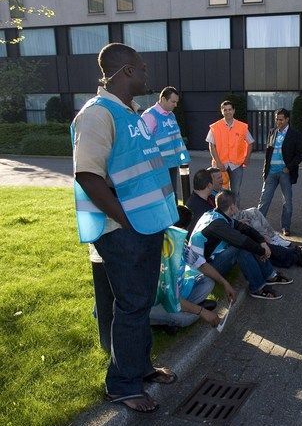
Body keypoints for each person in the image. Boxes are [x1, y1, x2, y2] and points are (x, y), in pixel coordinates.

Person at [72, 43, 179, 413]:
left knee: (141, 302)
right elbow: (87, 174)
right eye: (143, 67)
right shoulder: (97, 114)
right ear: (126, 71)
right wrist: (125, 219)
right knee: (132, 304)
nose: (148, 74)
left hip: (146, 227)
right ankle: (121, 385)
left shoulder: (131, 114)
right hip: (123, 232)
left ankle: (139, 368)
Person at [189, 190, 294, 300]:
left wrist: (262, 242)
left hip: (208, 261)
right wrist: (263, 251)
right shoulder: (217, 223)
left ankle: (270, 275)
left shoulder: (218, 215)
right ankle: (257, 287)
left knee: (246, 244)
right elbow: (241, 241)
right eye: (236, 204)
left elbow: (245, 228)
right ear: (232, 207)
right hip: (202, 270)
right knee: (240, 248)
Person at [150, 206, 237, 330]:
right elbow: (170, 297)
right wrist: (202, 312)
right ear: (181, 229)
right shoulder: (161, 255)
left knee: (208, 282)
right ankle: (173, 319)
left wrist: (225, 283)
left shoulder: (177, 244)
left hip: (176, 297)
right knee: (184, 319)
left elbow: (202, 265)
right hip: (157, 304)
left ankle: (186, 311)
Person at [258, 108, 302, 236]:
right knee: (264, 200)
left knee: (287, 202)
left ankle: (286, 226)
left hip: (285, 173)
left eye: (281, 119)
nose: (278, 122)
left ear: (287, 119)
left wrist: (288, 167)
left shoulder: (295, 134)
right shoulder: (272, 132)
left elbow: (300, 155)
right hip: (271, 172)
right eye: (276, 119)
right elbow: (268, 154)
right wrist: (265, 171)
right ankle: (258, 226)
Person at [141, 86, 190, 201]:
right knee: (163, 195)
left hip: (171, 162)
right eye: (173, 101)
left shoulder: (171, 115)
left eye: (176, 102)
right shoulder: (149, 116)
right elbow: (144, 142)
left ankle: (175, 217)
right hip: (158, 164)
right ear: (163, 99)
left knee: (172, 194)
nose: (175, 105)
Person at [207, 101, 255, 204]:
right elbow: (211, 145)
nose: (227, 112)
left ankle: (235, 216)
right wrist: (218, 162)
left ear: (233, 111)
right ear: (222, 111)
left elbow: (250, 142)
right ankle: (222, 215)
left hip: (236, 165)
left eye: (230, 109)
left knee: (235, 193)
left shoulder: (242, 127)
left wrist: (246, 159)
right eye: (225, 110)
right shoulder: (215, 127)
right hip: (220, 165)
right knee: (220, 193)